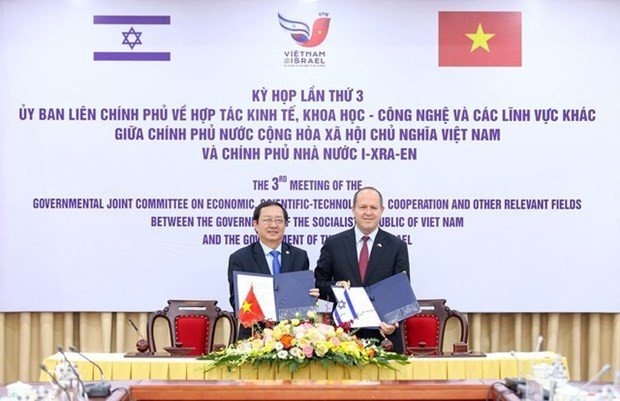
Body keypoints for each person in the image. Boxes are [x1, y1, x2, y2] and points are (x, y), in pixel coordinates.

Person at [314, 186, 410, 353]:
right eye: (363, 207)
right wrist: (336, 285)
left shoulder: (396, 246)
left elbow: (402, 291)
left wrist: (393, 322)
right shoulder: (334, 244)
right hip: (342, 338)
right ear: (353, 210)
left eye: (373, 208)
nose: (368, 212)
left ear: (382, 211)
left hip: (384, 336)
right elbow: (318, 284)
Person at [228, 200, 319, 340]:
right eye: (267, 220)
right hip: (255, 335)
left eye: (279, 220)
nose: (273, 225)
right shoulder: (240, 258)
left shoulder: (299, 256)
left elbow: (300, 297)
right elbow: (237, 301)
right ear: (255, 224)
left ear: (285, 224)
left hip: (291, 337)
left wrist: (310, 297)